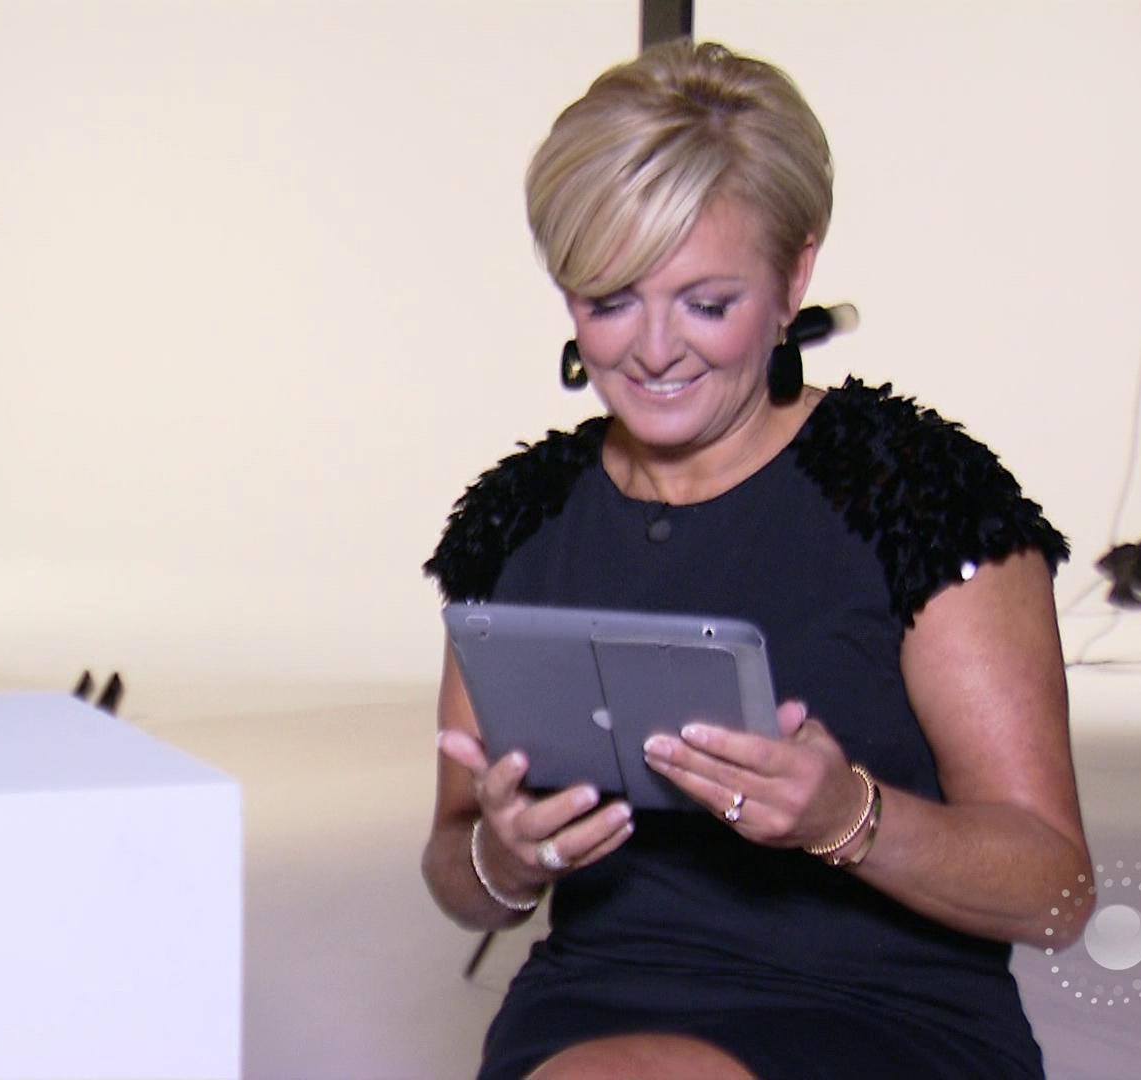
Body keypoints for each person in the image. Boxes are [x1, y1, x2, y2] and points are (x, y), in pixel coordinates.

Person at [420, 41, 1092, 1080]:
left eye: (705, 303)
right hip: (602, 998)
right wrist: (505, 856)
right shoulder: (521, 519)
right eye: (609, 301)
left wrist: (848, 817)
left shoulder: (918, 497)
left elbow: (1057, 897)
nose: (653, 350)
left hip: (883, 1015)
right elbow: (458, 876)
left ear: (794, 277)